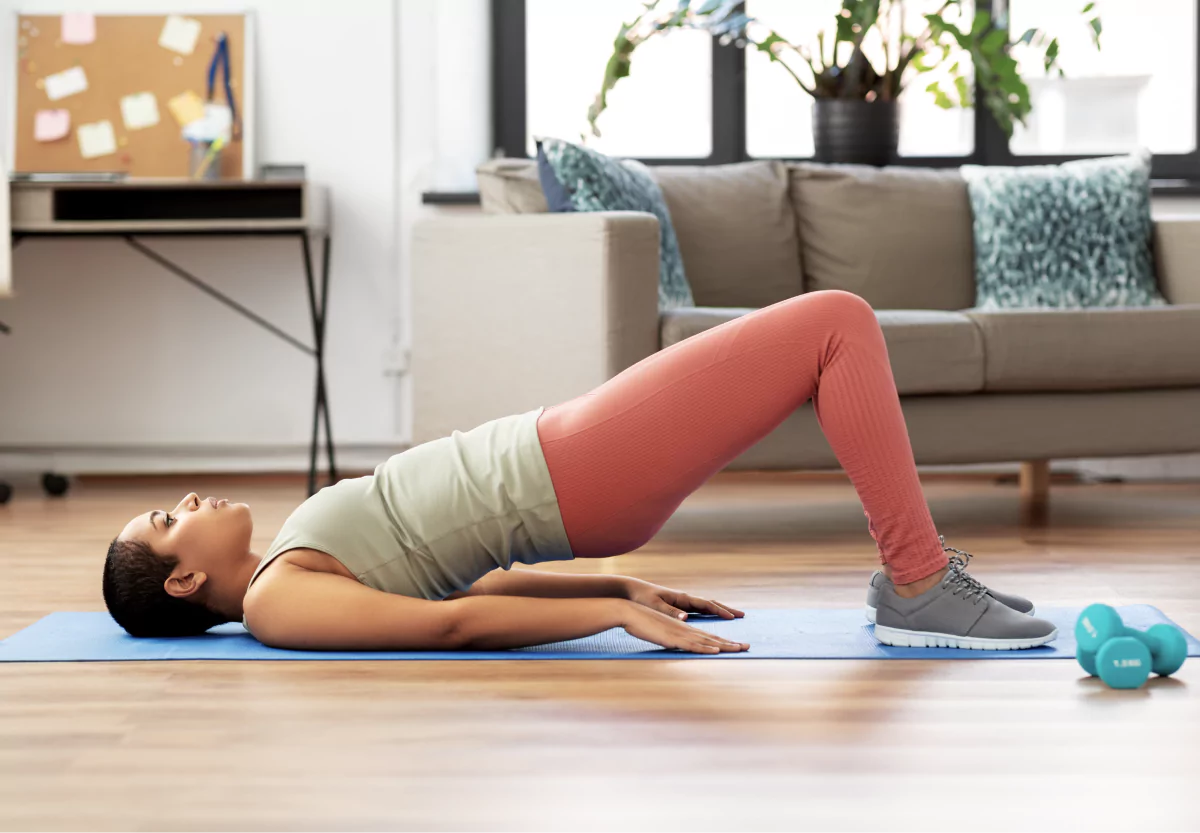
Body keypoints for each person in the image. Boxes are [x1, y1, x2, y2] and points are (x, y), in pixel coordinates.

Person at [104, 289, 1058, 653]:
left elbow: (458, 580)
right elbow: (449, 624)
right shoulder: (277, 604)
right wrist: (609, 619)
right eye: (166, 520)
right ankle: (918, 580)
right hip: (573, 466)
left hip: (568, 454)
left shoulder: (291, 560)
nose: (184, 501)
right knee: (836, 323)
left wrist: (618, 585)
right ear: (183, 580)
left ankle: (914, 577)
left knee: (829, 333)